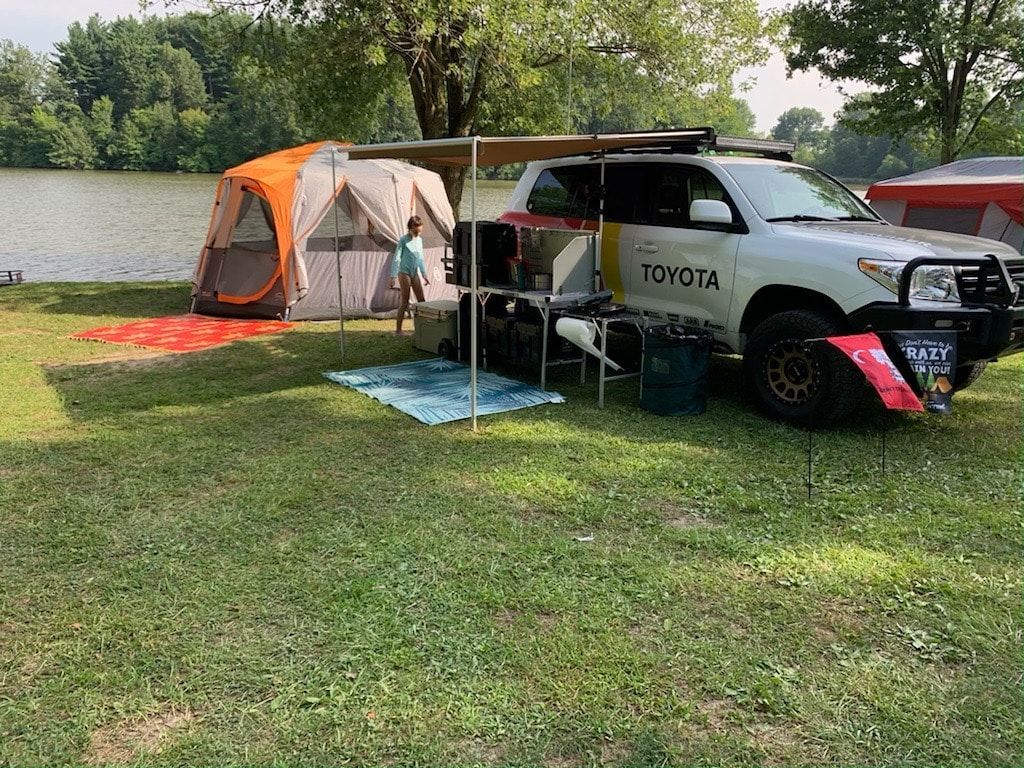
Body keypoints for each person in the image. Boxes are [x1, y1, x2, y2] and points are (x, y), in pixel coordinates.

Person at [389, 215, 430, 335]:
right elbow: (397, 258)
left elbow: (420, 259)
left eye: (420, 230)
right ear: (411, 228)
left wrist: (424, 274)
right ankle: (398, 330)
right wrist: (393, 276)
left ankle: (423, 327)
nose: (418, 232)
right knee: (405, 301)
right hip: (404, 273)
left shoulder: (419, 240)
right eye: (416, 230)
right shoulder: (403, 240)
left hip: (414, 272)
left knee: (422, 301)